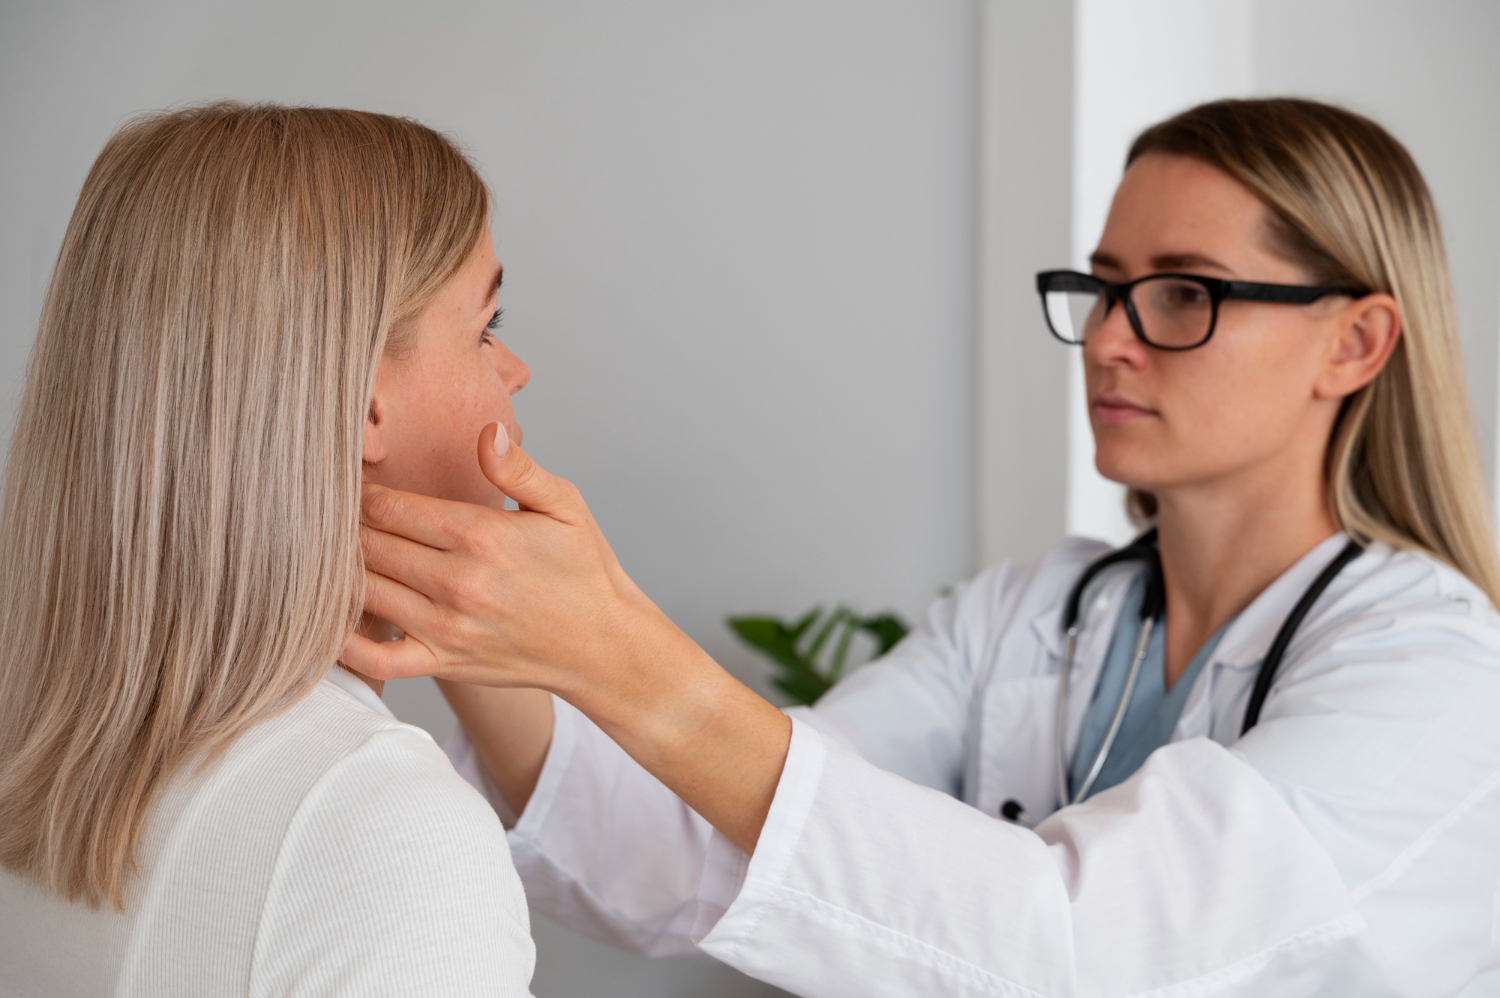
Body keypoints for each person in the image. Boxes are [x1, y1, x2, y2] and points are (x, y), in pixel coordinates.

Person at [348, 98, 1500, 995]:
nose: (1109, 340)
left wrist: (613, 646)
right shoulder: (1032, 615)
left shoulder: (1436, 678)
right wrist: (470, 617)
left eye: (1181, 294)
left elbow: (1097, 957)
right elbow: (716, 842)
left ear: (1354, 341)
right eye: (1100, 290)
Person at [0, 103, 536, 996]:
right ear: (362, 396)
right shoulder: (377, 825)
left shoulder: (44, 748)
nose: (514, 367)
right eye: (486, 325)